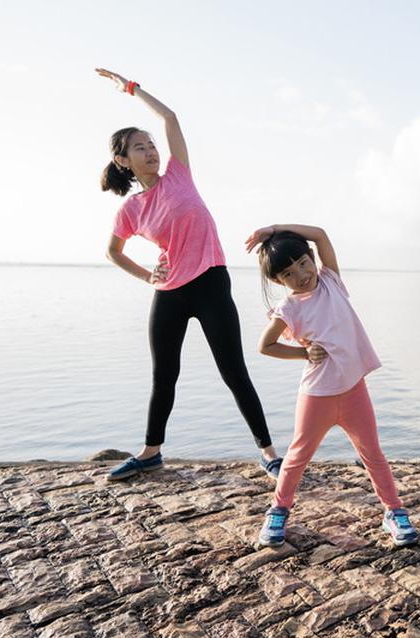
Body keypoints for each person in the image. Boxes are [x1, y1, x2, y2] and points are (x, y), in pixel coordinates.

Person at [95, 68, 279, 481]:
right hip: (170, 293)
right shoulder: (131, 209)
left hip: (211, 282)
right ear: (123, 160)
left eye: (151, 145)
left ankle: (268, 453)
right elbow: (112, 252)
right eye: (139, 148)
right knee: (164, 376)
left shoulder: (178, 174)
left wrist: (131, 89)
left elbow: (170, 118)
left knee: (234, 373)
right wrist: (148, 276)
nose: (151, 151)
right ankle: (150, 453)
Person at [245, 225, 418, 548]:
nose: (300, 275)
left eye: (302, 263)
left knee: (373, 454)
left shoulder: (331, 281)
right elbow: (265, 346)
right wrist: (302, 353)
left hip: (354, 390)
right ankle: (278, 510)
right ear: (278, 281)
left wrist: (274, 229)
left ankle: (394, 511)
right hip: (317, 395)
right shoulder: (289, 308)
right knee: (297, 456)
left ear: (311, 258)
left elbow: (321, 235)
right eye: (288, 273)